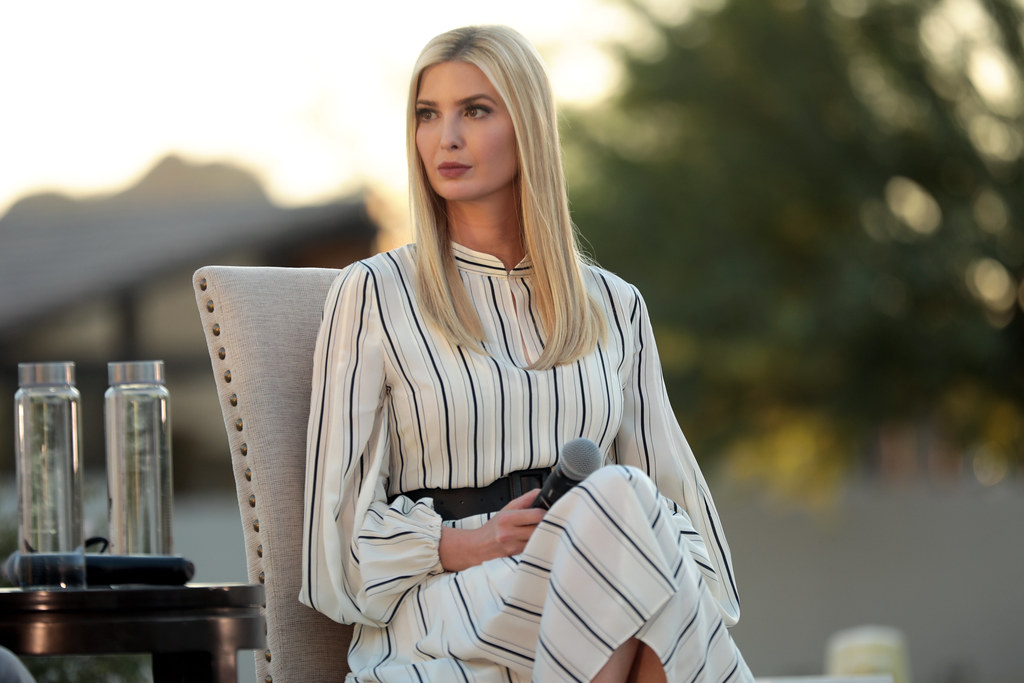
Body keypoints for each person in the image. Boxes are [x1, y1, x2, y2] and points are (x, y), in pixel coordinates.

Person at [300, 24, 752, 682]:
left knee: (627, 507)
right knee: (631, 528)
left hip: (600, 579)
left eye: (475, 111)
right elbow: (330, 534)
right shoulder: (373, 293)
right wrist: (466, 541)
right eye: (428, 115)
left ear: (529, 128)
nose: (445, 138)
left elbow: (675, 508)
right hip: (452, 605)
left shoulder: (615, 306)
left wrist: (618, 535)